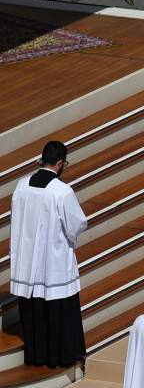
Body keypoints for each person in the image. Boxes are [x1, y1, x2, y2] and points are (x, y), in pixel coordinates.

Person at [10, 140, 88, 368]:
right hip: (52, 261)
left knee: (33, 309)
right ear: (61, 163)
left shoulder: (21, 186)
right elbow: (77, 223)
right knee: (57, 309)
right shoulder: (62, 191)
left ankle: (36, 355)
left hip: (27, 260)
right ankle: (58, 357)